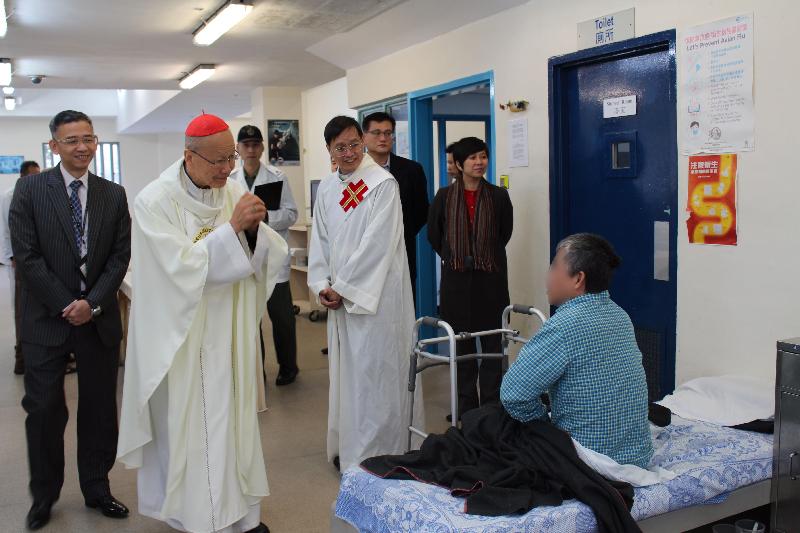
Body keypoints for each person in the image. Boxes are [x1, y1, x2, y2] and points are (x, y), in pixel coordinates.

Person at [117, 113, 287, 533]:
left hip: (227, 330)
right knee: (194, 429)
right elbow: (175, 270)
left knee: (235, 426)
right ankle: (200, 517)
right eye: (218, 161)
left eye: (230, 158)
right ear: (188, 156)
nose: (228, 169)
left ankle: (243, 517)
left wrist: (256, 229)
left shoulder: (229, 190)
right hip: (184, 337)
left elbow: (266, 250)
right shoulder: (154, 202)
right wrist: (232, 230)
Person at [9, 111, 131, 530]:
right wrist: (68, 303)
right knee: (43, 409)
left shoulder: (112, 194)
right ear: (54, 146)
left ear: (96, 142)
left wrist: (92, 304)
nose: (81, 147)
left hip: (97, 320)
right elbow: (26, 257)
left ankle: (97, 487)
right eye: (71, 140)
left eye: (88, 138)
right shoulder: (28, 191)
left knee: (99, 408)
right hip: (46, 320)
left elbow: (119, 257)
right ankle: (44, 495)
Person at [308, 115, 422, 472]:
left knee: (376, 375)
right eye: (340, 147)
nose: (349, 153)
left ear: (363, 142)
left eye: (354, 144)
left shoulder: (381, 184)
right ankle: (350, 446)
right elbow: (320, 241)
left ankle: (379, 453)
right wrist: (322, 284)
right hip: (341, 300)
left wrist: (344, 288)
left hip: (376, 302)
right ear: (329, 150)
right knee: (348, 377)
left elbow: (379, 244)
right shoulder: (327, 188)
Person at [500, 233, 653, 468]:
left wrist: (544, 427)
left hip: (589, 462)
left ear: (578, 279)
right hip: (637, 458)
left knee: (486, 422)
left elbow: (513, 395)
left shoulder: (563, 326)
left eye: (554, 266)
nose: (548, 276)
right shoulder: (620, 315)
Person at [427, 137, 513, 420]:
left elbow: (504, 235)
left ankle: (490, 409)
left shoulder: (499, 196)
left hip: (491, 282)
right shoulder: (444, 196)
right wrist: (458, 257)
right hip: (456, 283)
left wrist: (481, 256)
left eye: (483, 156)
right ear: (460, 164)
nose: (479, 162)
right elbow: (435, 236)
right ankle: (465, 409)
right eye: (473, 158)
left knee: (491, 348)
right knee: (462, 348)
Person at [230, 125, 300, 386]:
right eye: (245, 144)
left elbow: (292, 213)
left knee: (282, 317)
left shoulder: (277, 176)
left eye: (255, 144)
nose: (250, 149)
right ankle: (255, 371)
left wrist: (267, 216)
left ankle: (289, 368)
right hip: (243, 259)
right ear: (238, 148)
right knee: (250, 318)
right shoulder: (229, 181)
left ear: (262, 148)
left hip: (272, 259)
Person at [361, 112, 429, 299]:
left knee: (402, 312)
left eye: (388, 133)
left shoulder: (412, 170)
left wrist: (396, 233)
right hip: (362, 257)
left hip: (401, 252)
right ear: (364, 136)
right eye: (376, 133)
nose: (383, 138)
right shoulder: (355, 172)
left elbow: (421, 211)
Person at [1, 160, 40, 375]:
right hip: (17, 261)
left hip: (33, 259)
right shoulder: (10, 195)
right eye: (33, 175)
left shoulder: (34, 192)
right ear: (23, 176)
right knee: (20, 309)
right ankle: (21, 357)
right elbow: (6, 229)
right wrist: (13, 256)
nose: (36, 178)